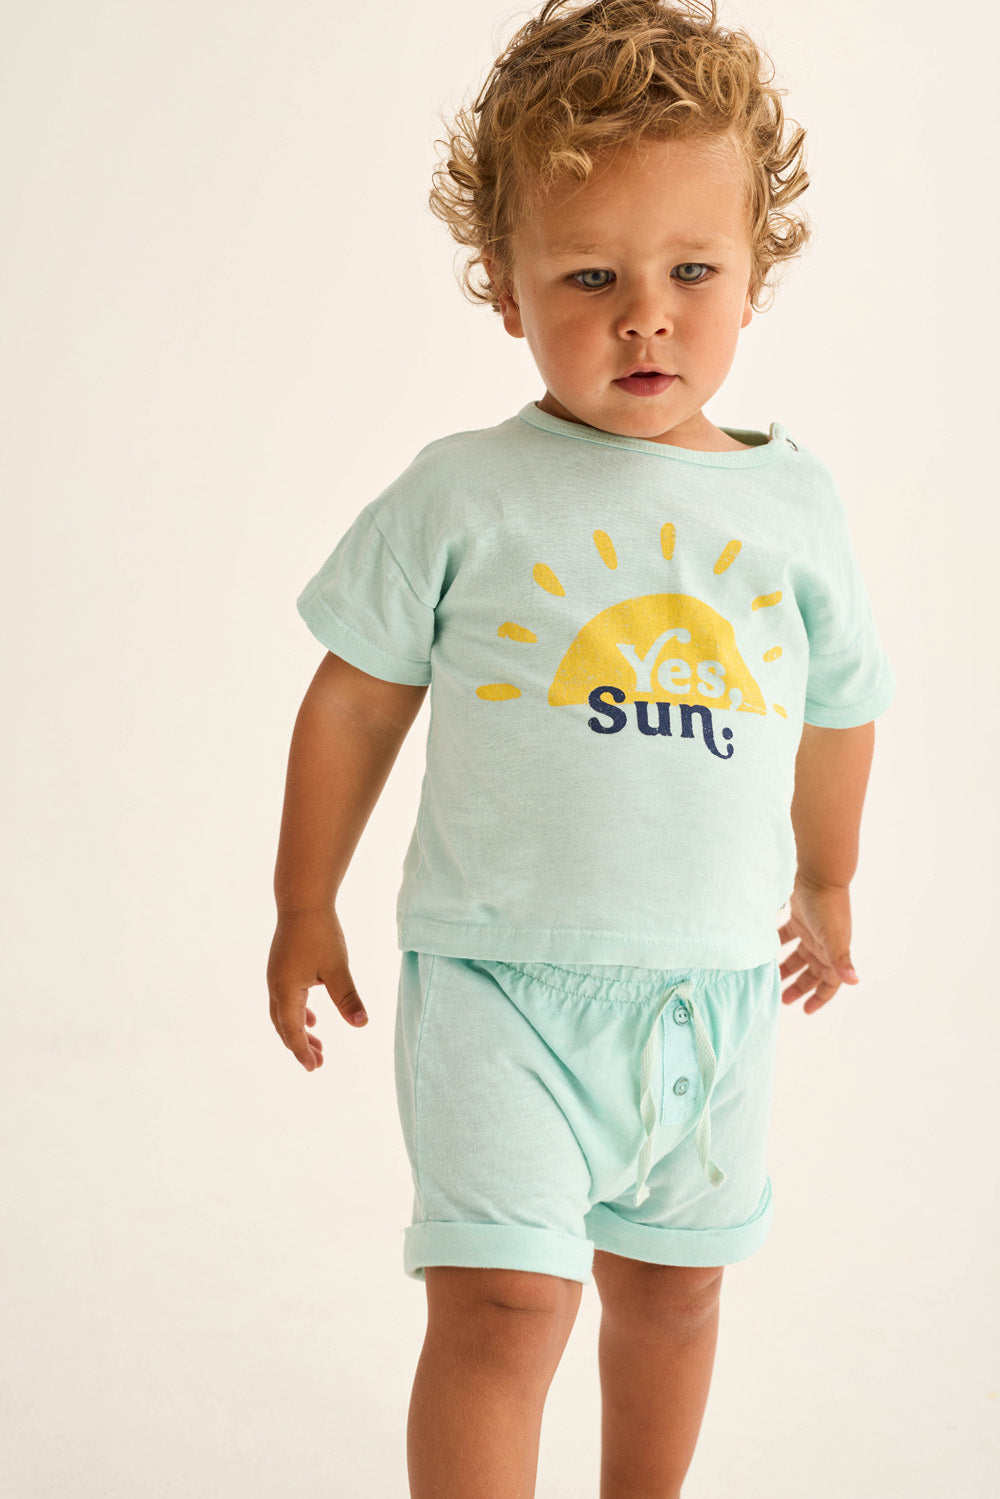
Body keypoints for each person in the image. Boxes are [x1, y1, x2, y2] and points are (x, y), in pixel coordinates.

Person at [267, 1, 896, 1494]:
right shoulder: (462, 493)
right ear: (506, 287)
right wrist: (304, 901)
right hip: (500, 986)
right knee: (503, 1307)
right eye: (592, 276)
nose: (646, 317)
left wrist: (827, 878)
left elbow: (842, 703)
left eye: (693, 272)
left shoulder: (796, 508)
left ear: (756, 274)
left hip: (714, 997)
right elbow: (353, 699)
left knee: (675, 1298)